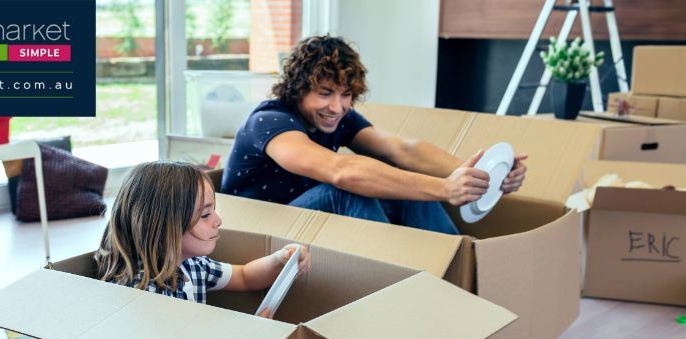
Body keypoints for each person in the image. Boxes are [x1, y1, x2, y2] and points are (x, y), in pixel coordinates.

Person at [221, 35, 528, 235]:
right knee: (348, 189)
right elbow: (340, 171)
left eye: (346, 95)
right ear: (298, 89)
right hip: (257, 231)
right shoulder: (270, 122)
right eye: (325, 93)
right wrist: (444, 189)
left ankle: (458, 274)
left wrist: (477, 175)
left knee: (407, 183)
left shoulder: (337, 118)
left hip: (303, 225)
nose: (337, 107)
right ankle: (399, 284)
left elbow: (403, 151)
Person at [94, 161, 310, 314]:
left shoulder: (192, 265)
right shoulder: (143, 291)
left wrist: (280, 259)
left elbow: (244, 277)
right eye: (205, 214)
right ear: (164, 226)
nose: (218, 220)